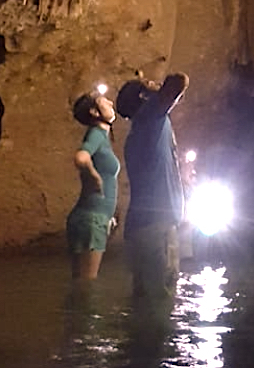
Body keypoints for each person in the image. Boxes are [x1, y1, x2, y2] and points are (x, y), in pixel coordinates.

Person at [115, 72, 189, 301]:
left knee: (143, 302)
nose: (155, 84)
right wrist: (152, 89)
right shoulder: (150, 118)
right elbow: (179, 81)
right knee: (161, 303)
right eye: (149, 86)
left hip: (140, 229)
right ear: (144, 98)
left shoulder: (139, 132)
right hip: (157, 230)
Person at [66, 89, 120, 279]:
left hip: (92, 218)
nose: (111, 104)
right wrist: (94, 176)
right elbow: (81, 157)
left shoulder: (101, 137)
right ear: (95, 112)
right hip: (91, 220)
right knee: (86, 287)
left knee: (80, 284)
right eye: (105, 102)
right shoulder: (97, 134)